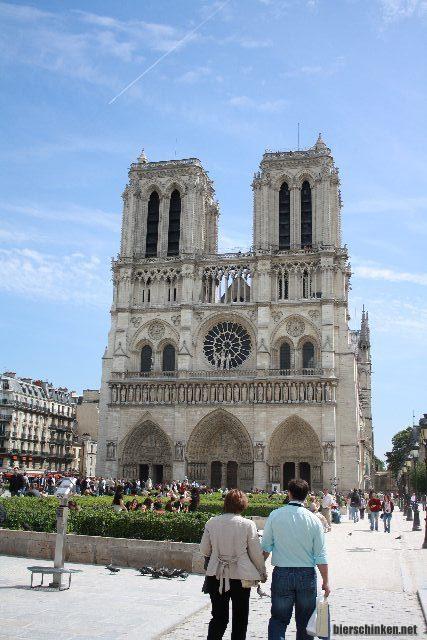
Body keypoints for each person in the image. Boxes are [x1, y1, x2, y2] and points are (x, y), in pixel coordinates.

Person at [262, 479, 329, 640]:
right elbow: (321, 555)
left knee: (278, 620)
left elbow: (265, 548)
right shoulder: (314, 520)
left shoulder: (275, 515)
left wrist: (258, 569)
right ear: (306, 496)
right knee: (305, 623)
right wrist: (326, 581)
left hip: (282, 574)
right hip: (306, 575)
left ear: (289, 493)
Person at [200, 489, 267, 640]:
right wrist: (262, 572)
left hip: (216, 574)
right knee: (240, 618)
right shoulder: (248, 524)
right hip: (241, 576)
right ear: (243, 505)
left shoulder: (212, 522)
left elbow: (204, 549)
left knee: (218, 617)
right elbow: (256, 553)